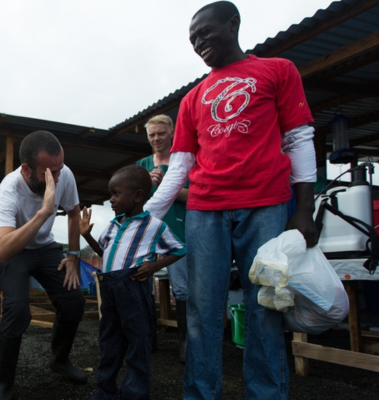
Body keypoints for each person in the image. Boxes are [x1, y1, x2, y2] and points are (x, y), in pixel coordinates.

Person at [144, 2, 319, 399]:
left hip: (267, 204)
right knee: (203, 310)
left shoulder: (277, 70)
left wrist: (305, 209)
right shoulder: (193, 98)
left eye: (205, 32)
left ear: (233, 24)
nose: (199, 42)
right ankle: (201, 394)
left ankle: (266, 394)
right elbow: (180, 167)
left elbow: (299, 138)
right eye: (193, 39)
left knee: (266, 307)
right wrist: (147, 217)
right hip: (205, 209)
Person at [0, 130, 86, 400]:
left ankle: (60, 359)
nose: (56, 177)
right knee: (18, 310)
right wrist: (44, 211)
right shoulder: (8, 191)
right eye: (49, 172)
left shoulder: (63, 173)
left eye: (59, 169)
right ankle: (5, 383)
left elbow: (73, 212)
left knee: (73, 300)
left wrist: (74, 255)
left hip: (46, 248)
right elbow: (1, 252)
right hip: (16, 251)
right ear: (26, 169)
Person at [80, 165, 186, 400]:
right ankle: (105, 391)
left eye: (116, 193)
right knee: (109, 341)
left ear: (138, 196)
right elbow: (103, 251)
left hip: (132, 288)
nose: (111, 200)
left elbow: (180, 249)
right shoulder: (112, 224)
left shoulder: (155, 225)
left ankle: (135, 393)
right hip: (108, 287)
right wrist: (86, 235)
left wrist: (154, 266)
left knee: (138, 343)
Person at [136, 114, 190, 362]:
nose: (156, 138)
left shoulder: (185, 162)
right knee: (141, 284)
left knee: (183, 289)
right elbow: (131, 199)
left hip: (178, 231)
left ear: (172, 134)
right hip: (146, 234)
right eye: (151, 135)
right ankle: (148, 341)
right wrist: (146, 184)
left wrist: (170, 186)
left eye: (161, 133)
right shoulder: (143, 164)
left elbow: (197, 196)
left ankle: (186, 344)